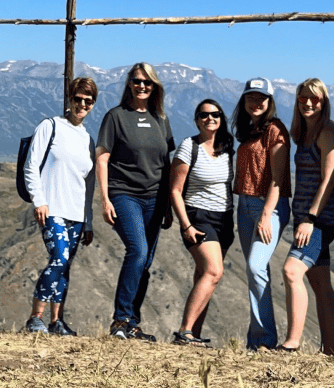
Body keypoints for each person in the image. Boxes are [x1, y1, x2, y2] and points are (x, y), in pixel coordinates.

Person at [96, 62, 175, 341]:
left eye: (147, 82)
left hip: (155, 199)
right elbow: (102, 159)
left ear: (155, 87)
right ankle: (120, 319)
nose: (142, 86)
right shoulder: (115, 117)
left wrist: (168, 205)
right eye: (137, 80)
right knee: (138, 252)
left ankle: (132, 323)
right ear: (129, 83)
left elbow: (166, 163)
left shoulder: (161, 119)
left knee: (146, 261)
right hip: (124, 194)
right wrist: (104, 199)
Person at [23, 76, 99, 336]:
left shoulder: (88, 139)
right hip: (52, 208)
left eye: (88, 101)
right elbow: (31, 165)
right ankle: (36, 317)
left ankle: (57, 321)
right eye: (78, 99)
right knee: (59, 258)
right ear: (69, 99)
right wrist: (39, 200)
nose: (82, 105)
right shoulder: (51, 126)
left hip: (76, 213)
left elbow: (88, 185)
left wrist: (88, 221)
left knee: (65, 266)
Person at [279, 78, 334, 354]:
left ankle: (292, 343)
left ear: (324, 102)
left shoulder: (328, 132)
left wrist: (310, 218)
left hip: (320, 220)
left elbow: (330, 180)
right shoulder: (304, 132)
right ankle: (329, 350)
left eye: (314, 98)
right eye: (302, 98)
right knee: (320, 282)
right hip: (307, 219)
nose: (308, 103)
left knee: (291, 271)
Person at [169, 99, 235, 347]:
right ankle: (184, 331)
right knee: (213, 271)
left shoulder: (227, 147)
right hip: (198, 217)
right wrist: (186, 225)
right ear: (196, 120)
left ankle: (193, 336)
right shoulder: (189, 147)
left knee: (203, 277)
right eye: (204, 115)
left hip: (224, 219)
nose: (210, 118)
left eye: (215, 114)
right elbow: (175, 190)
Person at [232, 77, 291, 351]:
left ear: (270, 102)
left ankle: (265, 339)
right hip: (244, 205)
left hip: (269, 207)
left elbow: (278, 178)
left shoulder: (275, 130)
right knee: (255, 271)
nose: (256, 102)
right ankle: (255, 342)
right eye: (251, 97)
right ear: (244, 100)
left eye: (261, 98)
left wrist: (266, 214)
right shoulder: (249, 130)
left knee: (256, 267)